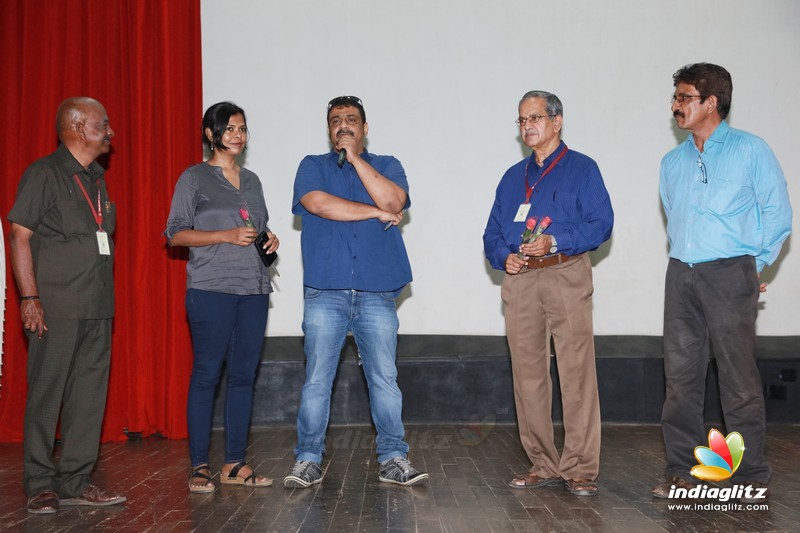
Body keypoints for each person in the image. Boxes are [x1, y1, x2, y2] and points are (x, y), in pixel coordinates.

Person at [651, 63, 791, 503]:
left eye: (684, 97)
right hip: (681, 275)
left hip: (730, 273)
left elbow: (778, 214)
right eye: (675, 97)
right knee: (680, 381)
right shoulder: (671, 162)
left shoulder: (751, 150)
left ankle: (749, 474)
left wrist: (756, 265)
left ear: (711, 102)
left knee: (739, 381)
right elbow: (674, 213)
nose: (675, 105)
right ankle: (682, 471)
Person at [284, 95, 427, 488]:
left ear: (364, 128)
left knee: (384, 378)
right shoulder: (312, 166)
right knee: (317, 380)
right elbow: (319, 204)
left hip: (376, 290)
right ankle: (308, 458)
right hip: (325, 290)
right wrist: (374, 212)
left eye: (350, 120)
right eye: (335, 120)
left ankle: (394, 457)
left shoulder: (388, 166)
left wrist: (357, 159)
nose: (342, 125)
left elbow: (393, 199)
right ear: (327, 129)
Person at [483, 90, 613, 497]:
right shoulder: (511, 177)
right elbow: (491, 233)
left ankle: (579, 467)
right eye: (521, 120)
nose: (528, 127)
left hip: (564, 273)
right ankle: (542, 462)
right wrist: (504, 256)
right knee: (528, 376)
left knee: (575, 373)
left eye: (535, 118)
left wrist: (555, 241)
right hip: (521, 281)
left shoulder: (582, 169)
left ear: (557, 121)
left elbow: (602, 224)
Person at [8, 97, 126, 514]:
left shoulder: (96, 179)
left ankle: (75, 480)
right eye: (103, 124)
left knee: (89, 398)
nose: (110, 131)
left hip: (97, 306)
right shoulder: (44, 173)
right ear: (78, 127)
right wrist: (29, 298)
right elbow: (19, 235)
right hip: (55, 306)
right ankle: (40, 483)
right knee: (47, 396)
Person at [165, 101, 279, 493]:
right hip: (211, 289)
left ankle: (235, 463)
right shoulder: (194, 178)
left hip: (254, 289)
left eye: (242, 128)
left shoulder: (253, 181)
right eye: (229, 128)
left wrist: (269, 239)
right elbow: (175, 233)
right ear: (211, 134)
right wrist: (225, 236)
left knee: (244, 377)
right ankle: (199, 466)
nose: (237, 135)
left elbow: (256, 227)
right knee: (207, 375)